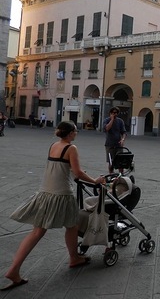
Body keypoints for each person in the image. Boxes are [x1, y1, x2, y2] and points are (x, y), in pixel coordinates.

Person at [1, 121, 106, 291]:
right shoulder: (72, 148)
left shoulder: (54, 145)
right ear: (71, 133)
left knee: (42, 231)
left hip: (45, 192)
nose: (77, 133)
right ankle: (72, 258)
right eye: (76, 131)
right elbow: (77, 172)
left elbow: (64, 167)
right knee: (71, 225)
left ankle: (15, 269)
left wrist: (80, 172)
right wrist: (96, 181)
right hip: (62, 194)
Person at [103, 107, 127, 174]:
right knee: (111, 162)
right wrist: (112, 120)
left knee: (120, 162)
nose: (115, 114)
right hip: (109, 144)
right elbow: (107, 128)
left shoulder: (120, 121)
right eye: (113, 113)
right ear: (110, 113)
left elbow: (124, 132)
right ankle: (111, 175)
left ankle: (121, 176)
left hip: (118, 145)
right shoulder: (106, 120)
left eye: (116, 113)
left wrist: (122, 139)